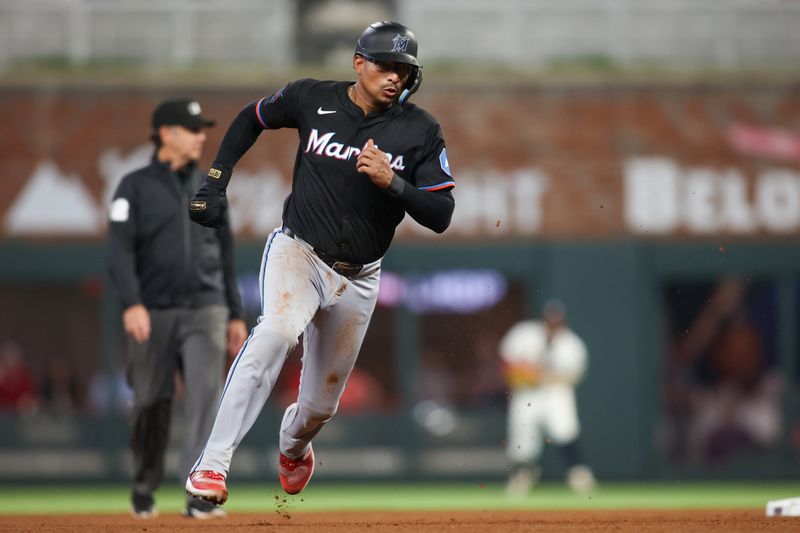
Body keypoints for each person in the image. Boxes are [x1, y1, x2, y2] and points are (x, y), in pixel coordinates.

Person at [184, 20, 455, 505]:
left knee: (317, 408)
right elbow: (251, 117)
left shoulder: (419, 129)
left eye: (403, 68)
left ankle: (292, 446)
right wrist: (216, 181)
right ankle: (211, 465)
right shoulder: (313, 97)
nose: (394, 76)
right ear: (358, 63)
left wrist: (393, 182)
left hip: (361, 277)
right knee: (276, 331)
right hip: (300, 252)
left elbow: (441, 214)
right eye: (384, 64)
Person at [106, 98, 248, 519]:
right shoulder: (133, 187)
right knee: (149, 402)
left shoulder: (209, 187)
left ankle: (199, 497)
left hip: (207, 309)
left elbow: (226, 253)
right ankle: (144, 486)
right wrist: (132, 304)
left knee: (206, 401)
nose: (201, 136)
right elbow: (119, 253)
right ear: (166, 133)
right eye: (193, 129)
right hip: (153, 311)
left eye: (203, 130)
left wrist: (235, 312)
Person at [499, 299, 596, 497]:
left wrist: (543, 376)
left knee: (565, 432)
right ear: (543, 318)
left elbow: (575, 374)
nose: (552, 323)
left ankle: (579, 475)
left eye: (557, 320)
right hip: (526, 392)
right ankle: (521, 477)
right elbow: (507, 365)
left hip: (555, 393)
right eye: (549, 319)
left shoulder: (571, 343)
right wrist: (526, 374)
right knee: (522, 439)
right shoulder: (524, 333)